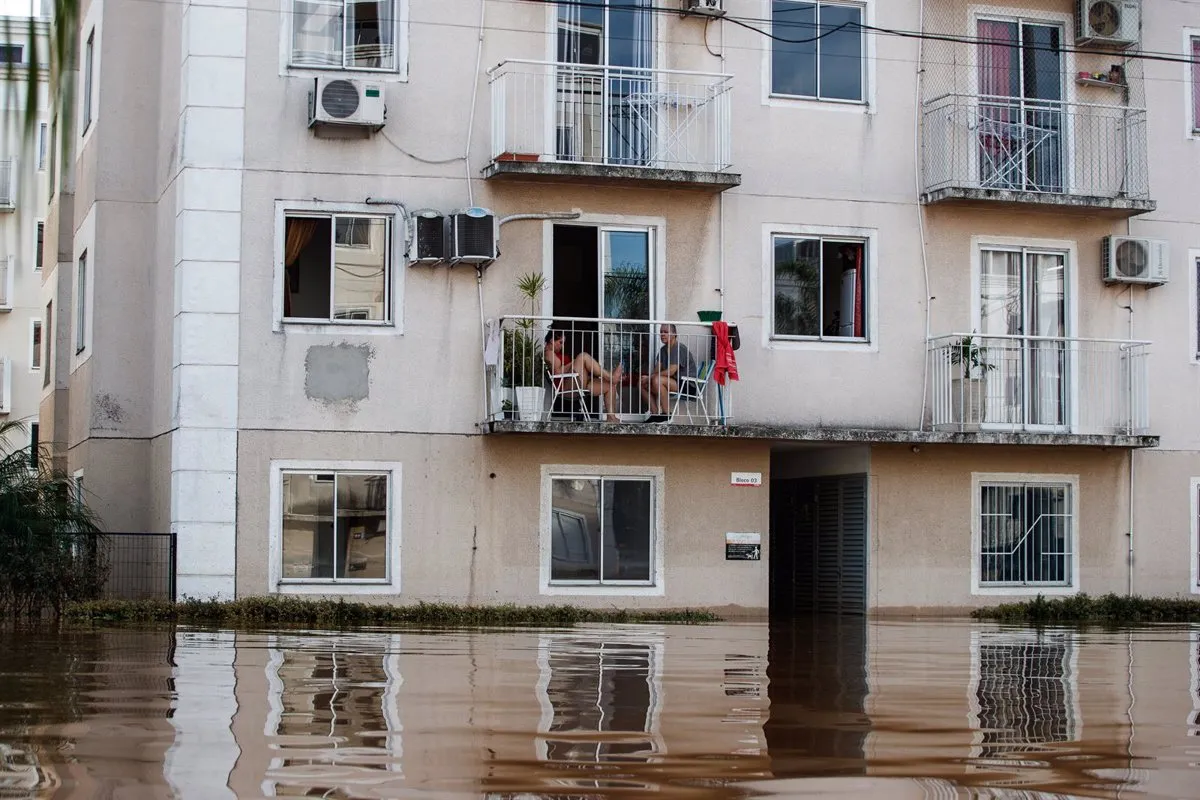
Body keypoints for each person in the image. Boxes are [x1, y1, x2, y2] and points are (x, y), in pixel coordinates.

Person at [544, 330, 624, 423]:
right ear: (551, 340)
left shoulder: (555, 354)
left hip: (576, 382)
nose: (562, 346)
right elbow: (557, 372)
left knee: (609, 385)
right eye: (560, 342)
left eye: (563, 343)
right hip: (567, 388)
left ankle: (611, 417)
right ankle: (610, 376)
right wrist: (573, 362)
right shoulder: (549, 353)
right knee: (583, 356)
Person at [639, 323, 696, 422]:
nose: (662, 334)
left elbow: (671, 371)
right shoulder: (662, 350)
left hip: (687, 384)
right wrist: (648, 379)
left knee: (656, 379)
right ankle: (655, 414)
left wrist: (650, 378)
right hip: (673, 382)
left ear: (674, 334)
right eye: (661, 332)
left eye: (666, 332)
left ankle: (666, 413)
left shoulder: (678, 348)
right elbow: (657, 371)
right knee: (641, 383)